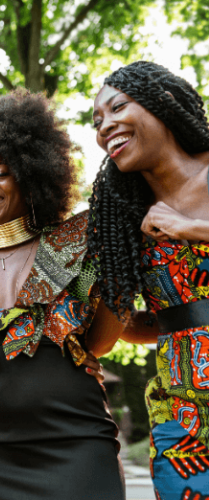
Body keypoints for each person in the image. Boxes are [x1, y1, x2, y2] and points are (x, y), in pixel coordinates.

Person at [0, 89, 125, 500]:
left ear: (29, 173)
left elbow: (102, 341)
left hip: (79, 443)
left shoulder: (75, 243)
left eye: (0, 173)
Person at [90, 61, 209, 500]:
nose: (105, 126)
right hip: (180, 414)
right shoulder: (126, 220)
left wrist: (188, 228)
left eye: (118, 106)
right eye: (97, 121)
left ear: (168, 102)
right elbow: (134, 330)